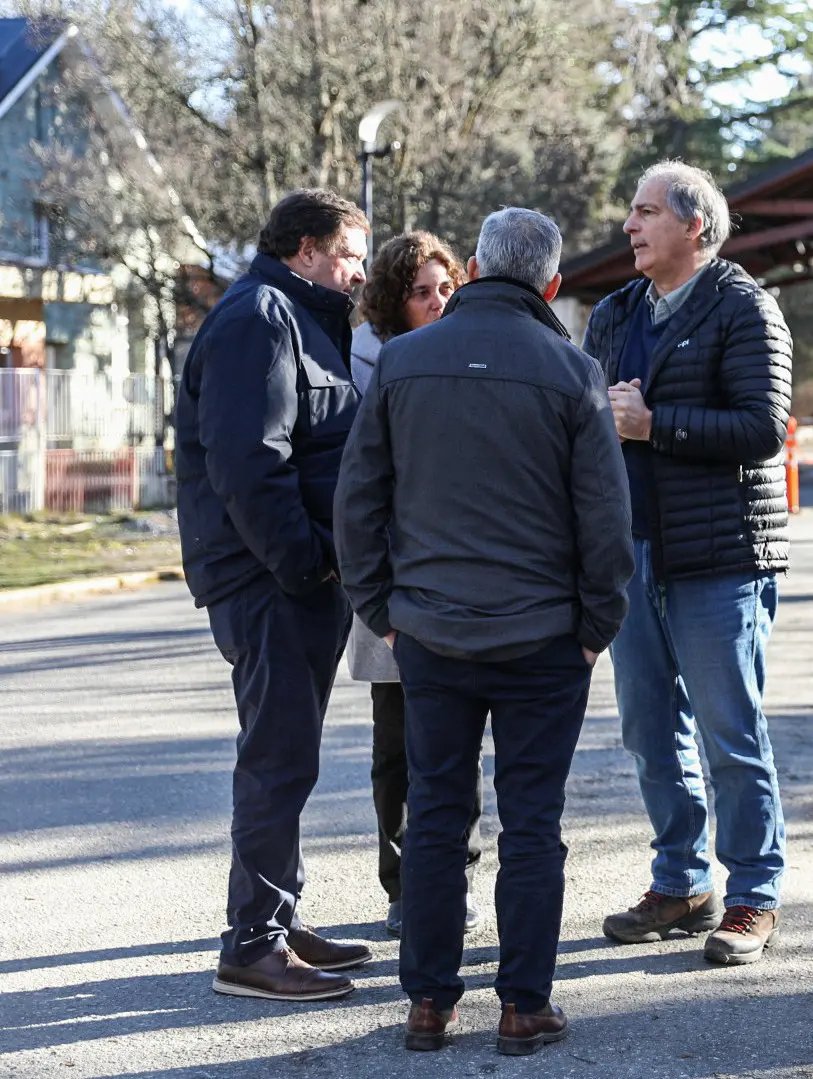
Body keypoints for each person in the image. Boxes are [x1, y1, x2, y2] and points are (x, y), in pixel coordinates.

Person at [334, 208, 634, 1056]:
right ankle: (521, 1004)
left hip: (430, 632)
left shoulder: (400, 361)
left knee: (434, 812)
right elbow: (606, 521)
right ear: (551, 284)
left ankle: (428, 1002)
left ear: (470, 268)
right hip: (544, 639)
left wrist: (382, 609)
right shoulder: (573, 371)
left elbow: (357, 503)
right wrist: (594, 627)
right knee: (531, 822)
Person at [585, 161, 794, 966]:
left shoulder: (745, 308)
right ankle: (681, 882)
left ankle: (752, 896)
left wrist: (654, 425)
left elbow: (762, 427)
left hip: (721, 559)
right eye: (630, 212)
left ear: (693, 226)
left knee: (729, 734)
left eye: (644, 212)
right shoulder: (612, 313)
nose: (630, 226)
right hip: (632, 554)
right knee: (647, 731)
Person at [174, 188, 373, 1002]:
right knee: (277, 759)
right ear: (304, 248)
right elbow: (249, 462)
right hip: (271, 582)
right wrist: (306, 565)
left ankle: (278, 921)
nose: (360, 271)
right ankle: (252, 946)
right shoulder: (260, 317)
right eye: (351, 253)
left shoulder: (301, 317)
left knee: (289, 756)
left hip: (298, 580)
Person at [346, 231, 483, 939]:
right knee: (397, 745)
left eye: (445, 288)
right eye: (421, 292)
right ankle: (402, 883)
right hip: (392, 583)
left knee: (459, 739)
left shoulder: (473, 351)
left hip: (459, 579)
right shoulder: (363, 363)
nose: (437, 303)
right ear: (392, 303)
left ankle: (455, 872)